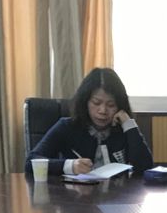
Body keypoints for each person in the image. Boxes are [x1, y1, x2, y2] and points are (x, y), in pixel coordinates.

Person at [26, 67, 154, 178]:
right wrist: (69, 166)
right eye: (96, 103)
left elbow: (145, 167)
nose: (103, 111)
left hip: (117, 196)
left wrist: (128, 124)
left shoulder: (123, 129)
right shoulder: (67, 127)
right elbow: (31, 162)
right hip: (75, 196)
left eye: (111, 105)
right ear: (85, 102)